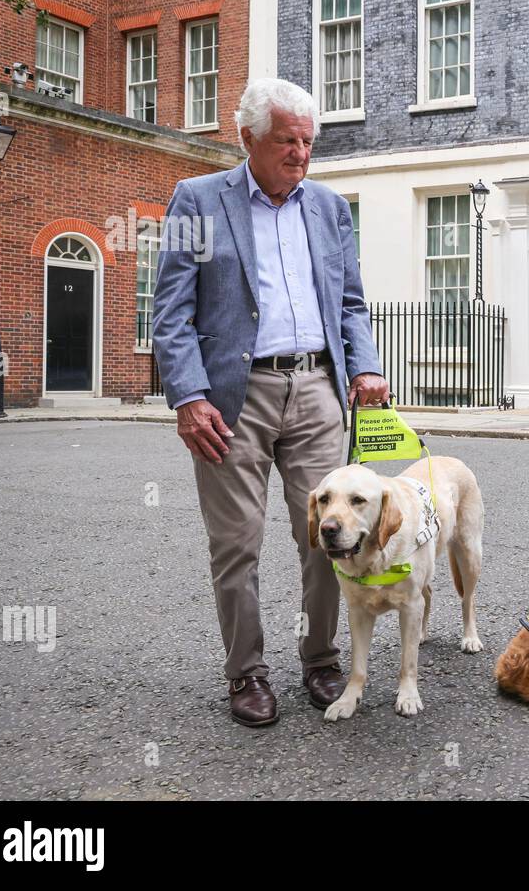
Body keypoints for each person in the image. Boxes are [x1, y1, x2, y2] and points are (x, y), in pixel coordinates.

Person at [153, 78, 390, 727]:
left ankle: (319, 656)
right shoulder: (199, 201)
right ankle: (247, 671)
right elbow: (170, 313)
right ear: (248, 137)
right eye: (287, 140)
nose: (300, 154)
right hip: (234, 395)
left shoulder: (330, 208)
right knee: (237, 540)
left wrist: (365, 364)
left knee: (328, 535)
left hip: (316, 387)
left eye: (308, 141)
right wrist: (188, 395)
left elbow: (350, 304)